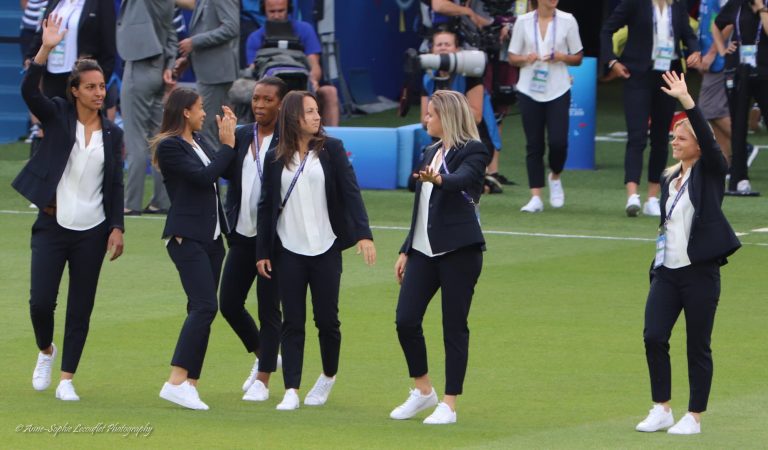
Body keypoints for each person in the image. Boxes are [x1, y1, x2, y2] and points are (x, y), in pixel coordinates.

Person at [13, 14, 124, 402]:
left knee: (81, 307)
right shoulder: (57, 114)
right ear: (74, 90)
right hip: (52, 225)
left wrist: (117, 226)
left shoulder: (113, 133)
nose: (99, 92)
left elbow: (115, 183)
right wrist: (45, 47)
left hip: (92, 231)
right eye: (90, 87)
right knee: (41, 302)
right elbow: (28, 91)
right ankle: (46, 351)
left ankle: (66, 378)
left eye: (101, 87)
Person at [255, 90, 376, 410]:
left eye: (316, 110)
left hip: (325, 247)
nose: (316, 116)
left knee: (327, 320)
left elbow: (352, 193)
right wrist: (262, 251)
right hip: (288, 250)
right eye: (309, 111)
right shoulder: (275, 156)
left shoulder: (332, 149)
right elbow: (266, 206)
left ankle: (327, 375)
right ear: (294, 117)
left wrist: (364, 235)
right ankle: (291, 389)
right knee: (292, 321)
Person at [635, 71, 741, 435]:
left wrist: (687, 103)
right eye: (673, 137)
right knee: (654, 336)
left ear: (698, 144)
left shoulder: (711, 173)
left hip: (700, 274)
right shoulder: (668, 179)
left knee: (697, 345)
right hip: (667, 272)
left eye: (681, 138)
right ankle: (661, 407)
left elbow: (712, 147)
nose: (674, 142)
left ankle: (694, 415)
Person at [390, 90, 489, 425]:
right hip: (422, 251)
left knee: (453, 327)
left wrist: (441, 179)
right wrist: (407, 247)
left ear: (446, 117)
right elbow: (421, 206)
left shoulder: (473, 150)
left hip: (459, 251)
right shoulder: (429, 150)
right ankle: (423, 390)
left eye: (430, 115)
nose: (425, 119)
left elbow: (463, 180)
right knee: (405, 320)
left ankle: (449, 403)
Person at [153, 89, 238, 410]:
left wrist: (231, 137)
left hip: (213, 238)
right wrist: (227, 145)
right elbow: (204, 177)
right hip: (185, 236)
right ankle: (175, 381)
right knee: (205, 307)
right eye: (201, 108)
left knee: (201, 309)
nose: (205, 113)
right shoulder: (170, 146)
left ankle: (190, 384)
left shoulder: (200, 142)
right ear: (185, 112)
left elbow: (223, 169)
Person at [220, 77, 287, 402]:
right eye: (256, 99)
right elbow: (225, 173)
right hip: (242, 234)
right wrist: (223, 142)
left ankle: (263, 379)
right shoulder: (243, 134)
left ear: (281, 103)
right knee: (229, 304)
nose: (259, 105)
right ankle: (266, 354)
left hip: (275, 241)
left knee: (268, 309)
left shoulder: (290, 140)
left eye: (267, 100)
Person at [601, 0, 701, 217]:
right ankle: (632, 195)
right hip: (637, 74)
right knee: (636, 135)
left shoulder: (678, 6)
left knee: (660, 137)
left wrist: (694, 51)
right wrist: (612, 61)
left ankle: (653, 197)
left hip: (668, 76)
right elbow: (608, 29)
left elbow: (687, 34)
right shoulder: (635, 4)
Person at [508, 0, 583, 212]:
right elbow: (512, 57)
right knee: (534, 144)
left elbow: (578, 57)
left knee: (559, 142)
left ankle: (555, 175)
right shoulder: (523, 21)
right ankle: (536, 196)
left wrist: (562, 56)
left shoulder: (568, 20)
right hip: (528, 88)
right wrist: (526, 58)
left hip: (558, 88)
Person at [420, 28, 501, 193]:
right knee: (415, 182)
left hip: (471, 138)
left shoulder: (470, 73)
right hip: (440, 141)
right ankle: (483, 182)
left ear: (457, 50)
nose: (443, 48)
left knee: (452, 178)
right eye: (439, 44)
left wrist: (444, 113)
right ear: (431, 50)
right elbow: (424, 120)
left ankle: (481, 182)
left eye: (447, 44)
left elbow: (477, 117)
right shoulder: (428, 77)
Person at [117, 0, 177, 216]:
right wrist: (169, 66)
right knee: (157, 139)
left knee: (135, 139)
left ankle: (130, 203)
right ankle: (161, 201)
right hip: (159, 68)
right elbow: (172, 33)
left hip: (138, 67)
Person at [245, 0, 340, 126]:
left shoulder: (305, 30)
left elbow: (315, 65)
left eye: (281, 11)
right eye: (272, 11)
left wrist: (313, 81)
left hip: (304, 86)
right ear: (264, 11)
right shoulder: (255, 37)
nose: (277, 15)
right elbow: (253, 68)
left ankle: (330, 141)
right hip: (268, 90)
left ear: (289, 9)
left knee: (330, 92)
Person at [714, 0, 768, 194]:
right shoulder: (736, 4)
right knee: (737, 126)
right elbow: (716, 23)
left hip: (763, 71)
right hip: (738, 70)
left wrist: (761, 8)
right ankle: (739, 179)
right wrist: (722, 49)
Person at [176, 0, 239, 150]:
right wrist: (188, 58)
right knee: (209, 129)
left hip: (217, 75)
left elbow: (231, 27)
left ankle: (212, 171)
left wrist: (195, 42)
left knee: (207, 129)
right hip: (209, 74)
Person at [27, 0, 116, 99]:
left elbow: (109, 42)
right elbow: (43, 30)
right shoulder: (56, 2)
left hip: (82, 76)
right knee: (51, 111)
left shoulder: (100, 3)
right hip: (52, 74)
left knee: (79, 113)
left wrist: (100, 82)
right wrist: (30, 56)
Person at [698, 0, 734, 165]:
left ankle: (742, 146)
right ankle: (726, 162)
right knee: (715, 112)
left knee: (709, 109)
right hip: (712, 58)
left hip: (720, 58)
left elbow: (729, 21)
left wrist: (712, 53)